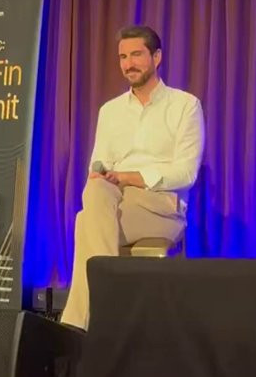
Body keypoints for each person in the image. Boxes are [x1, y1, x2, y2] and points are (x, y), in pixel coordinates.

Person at [60, 26, 205, 330]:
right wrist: (103, 174)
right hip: (115, 199)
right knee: (95, 191)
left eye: (136, 54)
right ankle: (99, 318)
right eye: (123, 57)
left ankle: (78, 325)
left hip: (161, 206)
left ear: (157, 57)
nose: (128, 64)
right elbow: (97, 165)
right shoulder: (110, 111)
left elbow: (186, 173)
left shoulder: (185, 106)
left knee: (85, 222)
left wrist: (130, 177)